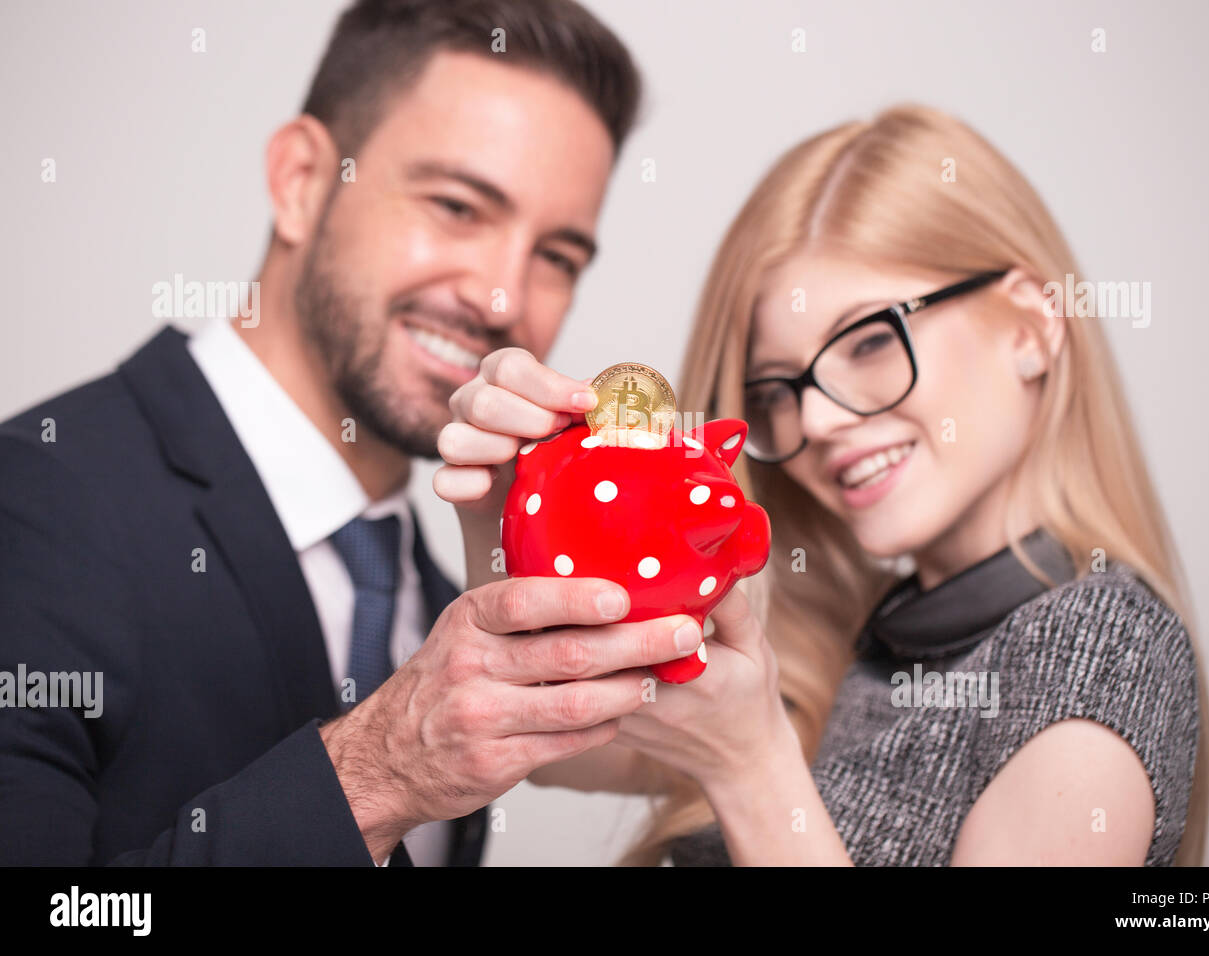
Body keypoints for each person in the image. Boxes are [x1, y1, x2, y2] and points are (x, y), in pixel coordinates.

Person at [0, 0, 704, 866]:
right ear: (300, 180)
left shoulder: (454, 596)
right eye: (456, 205)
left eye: (557, 256)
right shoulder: (29, 503)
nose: (504, 300)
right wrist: (380, 774)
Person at [436, 104, 1209, 866]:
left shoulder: (1097, 644)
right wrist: (502, 504)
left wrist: (751, 773)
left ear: (1031, 328)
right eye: (776, 388)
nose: (820, 418)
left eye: (870, 341)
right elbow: (560, 745)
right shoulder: (848, 640)